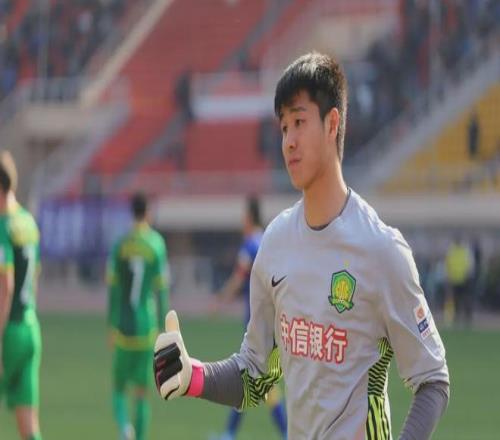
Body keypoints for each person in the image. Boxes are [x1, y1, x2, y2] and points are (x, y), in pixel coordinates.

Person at [153, 52, 450, 439]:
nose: (288, 141)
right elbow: (255, 375)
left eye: (299, 122)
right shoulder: (275, 243)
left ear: (332, 124)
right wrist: (191, 375)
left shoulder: (381, 250)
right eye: (283, 127)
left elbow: (432, 379)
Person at [211, 196, 287, 440]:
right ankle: (231, 433)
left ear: (249, 217)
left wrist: (221, 299)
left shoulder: (250, 245)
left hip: (256, 321)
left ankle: (231, 434)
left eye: (243, 216)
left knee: (250, 377)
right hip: (271, 320)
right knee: (259, 381)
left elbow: (239, 277)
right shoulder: (266, 239)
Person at [107, 192, 169, 440]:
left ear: (131, 212)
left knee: (118, 389)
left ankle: (125, 428)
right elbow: (161, 290)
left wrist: (111, 325)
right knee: (143, 393)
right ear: (148, 213)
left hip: (124, 328)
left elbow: (113, 292)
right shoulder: (156, 245)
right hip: (146, 328)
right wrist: (165, 326)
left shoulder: (120, 245)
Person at [0, 151, 42, 440]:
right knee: (29, 427)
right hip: (30, 328)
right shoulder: (28, 221)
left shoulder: (3, 226)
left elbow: (6, 286)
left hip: (10, 330)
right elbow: (35, 276)